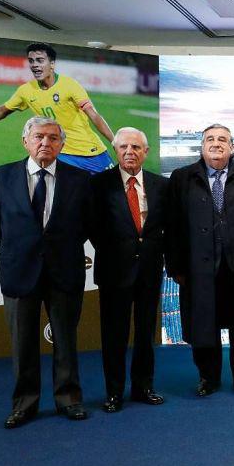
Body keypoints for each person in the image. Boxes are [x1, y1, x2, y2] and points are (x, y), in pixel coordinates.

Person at [0, 116, 92, 428]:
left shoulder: (79, 179)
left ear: (62, 144)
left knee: (66, 341)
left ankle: (69, 400)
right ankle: (24, 405)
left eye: (53, 138)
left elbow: (86, 224)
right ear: (26, 141)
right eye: (39, 137)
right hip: (20, 272)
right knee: (23, 344)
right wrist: (21, 249)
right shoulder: (0, 177)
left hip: (64, 271)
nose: (46, 143)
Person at [166, 124, 234, 397]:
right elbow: (173, 225)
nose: (216, 144)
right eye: (210, 139)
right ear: (202, 146)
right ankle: (207, 378)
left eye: (223, 140)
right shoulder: (182, 177)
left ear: (232, 147)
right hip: (198, 267)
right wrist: (175, 266)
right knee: (203, 324)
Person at [0, 42, 116, 173]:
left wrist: (114, 141)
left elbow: (94, 115)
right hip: (60, 154)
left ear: (52, 63)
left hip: (92, 153)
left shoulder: (70, 85)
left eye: (40, 60)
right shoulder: (26, 91)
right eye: (31, 61)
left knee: (111, 199)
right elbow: (1, 111)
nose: (34, 65)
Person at [89, 127, 168, 412]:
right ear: (115, 150)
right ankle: (113, 393)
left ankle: (143, 387)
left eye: (135, 147)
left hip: (149, 271)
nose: (129, 152)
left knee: (146, 334)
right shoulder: (99, 185)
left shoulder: (161, 185)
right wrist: (116, 252)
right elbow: (93, 228)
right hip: (114, 271)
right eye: (123, 147)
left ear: (146, 152)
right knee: (114, 335)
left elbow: (166, 228)